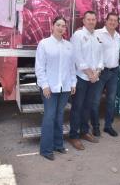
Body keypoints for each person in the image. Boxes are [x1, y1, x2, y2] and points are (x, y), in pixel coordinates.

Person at [35, 16, 76, 161]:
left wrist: (73, 83)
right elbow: (39, 68)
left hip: (64, 87)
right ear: (52, 26)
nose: (61, 28)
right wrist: (45, 85)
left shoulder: (69, 45)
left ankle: (58, 145)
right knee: (49, 116)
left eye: (63, 26)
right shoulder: (44, 44)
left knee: (59, 116)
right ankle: (45, 149)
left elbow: (72, 67)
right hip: (50, 88)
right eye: (58, 25)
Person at [68, 10, 103, 150]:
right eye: (88, 19)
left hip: (94, 78)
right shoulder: (78, 35)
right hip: (82, 77)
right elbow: (77, 57)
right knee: (77, 107)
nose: (91, 21)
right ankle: (74, 136)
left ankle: (84, 131)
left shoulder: (97, 36)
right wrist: (89, 73)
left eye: (93, 19)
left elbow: (101, 56)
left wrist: (98, 71)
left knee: (88, 106)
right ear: (84, 21)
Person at [91, 12, 120, 137]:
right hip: (100, 72)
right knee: (95, 101)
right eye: (111, 20)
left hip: (114, 72)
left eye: (115, 20)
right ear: (106, 20)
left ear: (118, 23)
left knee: (111, 101)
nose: (113, 22)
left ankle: (108, 126)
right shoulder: (97, 33)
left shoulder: (118, 36)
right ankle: (95, 126)